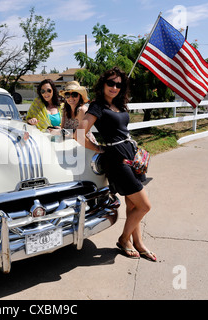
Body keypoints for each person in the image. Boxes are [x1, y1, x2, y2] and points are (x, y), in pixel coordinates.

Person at [75, 67, 156, 262]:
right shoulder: (97, 107)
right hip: (117, 159)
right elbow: (78, 134)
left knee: (133, 204)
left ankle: (138, 243)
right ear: (103, 84)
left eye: (119, 84)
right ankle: (123, 239)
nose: (114, 87)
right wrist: (99, 149)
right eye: (110, 83)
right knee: (144, 206)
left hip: (132, 155)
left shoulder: (119, 104)